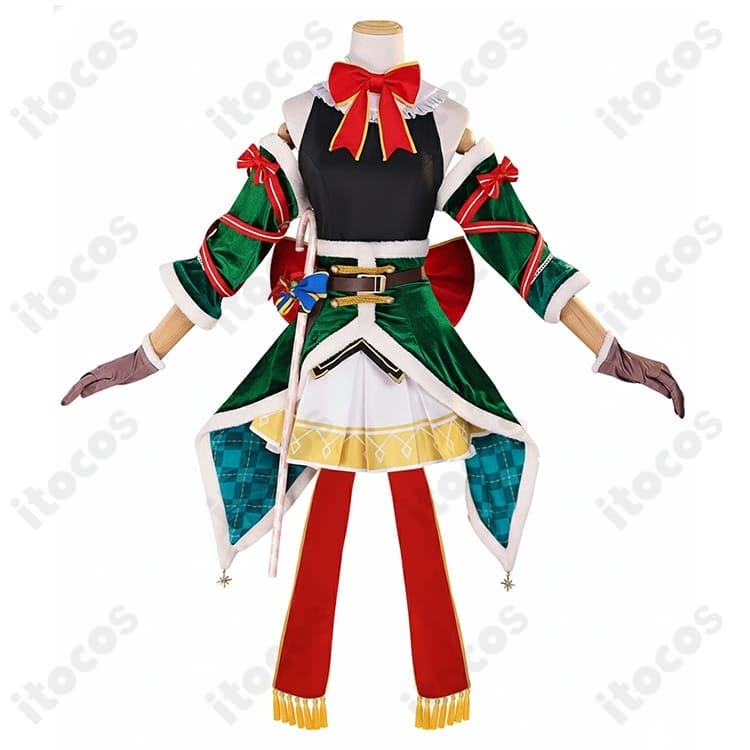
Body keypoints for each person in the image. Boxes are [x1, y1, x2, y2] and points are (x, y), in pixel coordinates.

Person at [61, 19, 684, 731]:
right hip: (328, 332)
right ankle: (300, 689)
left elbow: (519, 249)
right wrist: (146, 353)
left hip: (412, 335)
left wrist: (611, 351)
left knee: (413, 505)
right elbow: (235, 244)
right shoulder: (301, 116)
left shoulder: (447, 121)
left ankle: (441, 689)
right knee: (328, 508)